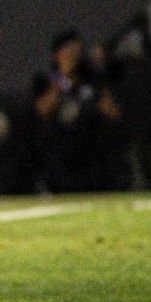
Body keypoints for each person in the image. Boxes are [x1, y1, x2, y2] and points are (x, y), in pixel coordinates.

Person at [31, 28, 126, 192]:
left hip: (93, 153)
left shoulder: (91, 79)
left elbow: (114, 114)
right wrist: (64, 78)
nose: (73, 56)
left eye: (77, 51)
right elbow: (41, 111)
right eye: (68, 52)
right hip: (60, 154)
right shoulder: (47, 78)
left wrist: (96, 81)